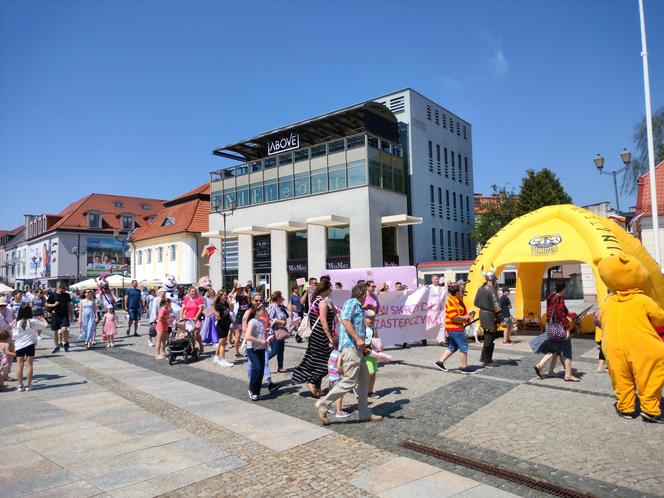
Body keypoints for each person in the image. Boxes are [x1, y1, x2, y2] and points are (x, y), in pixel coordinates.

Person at [315, 282, 382, 425]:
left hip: (358, 351)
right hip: (351, 348)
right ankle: (323, 403)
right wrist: (358, 338)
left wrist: (365, 308)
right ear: (363, 294)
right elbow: (345, 320)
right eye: (367, 295)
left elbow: (353, 317)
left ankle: (364, 414)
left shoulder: (356, 305)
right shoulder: (351, 303)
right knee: (350, 381)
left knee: (364, 381)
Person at [292, 280, 336, 398]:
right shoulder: (321, 303)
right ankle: (310, 381)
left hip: (316, 335)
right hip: (320, 335)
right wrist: (330, 338)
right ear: (325, 289)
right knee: (327, 361)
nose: (331, 290)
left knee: (316, 360)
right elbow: (323, 321)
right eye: (330, 288)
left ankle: (317, 387)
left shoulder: (317, 300)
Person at [534, 282, 580, 382]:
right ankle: (568, 374)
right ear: (563, 288)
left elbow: (552, 311)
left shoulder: (551, 296)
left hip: (551, 326)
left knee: (555, 349)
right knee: (567, 350)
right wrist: (567, 328)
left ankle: (545, 368)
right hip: (559, 328)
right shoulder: (560, 298)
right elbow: (561, 314)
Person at [435, 282, 476, 374]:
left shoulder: (457, 299)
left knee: (453, 346)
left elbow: (460, 313)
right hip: (454, 327)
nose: (462, 292)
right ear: (456, 292)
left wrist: (468, 315)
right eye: (461, 290)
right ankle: (464, 367)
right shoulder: (450, 300)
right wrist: (465, 318)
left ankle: (439, 362)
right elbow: (453, 317)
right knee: (463, 346)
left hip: (456, 327)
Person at [12, 304, 47, 392]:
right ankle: (29, 385)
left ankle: (20, 386)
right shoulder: (32, 321)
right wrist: (43, 319)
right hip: (30, 344)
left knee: (19, 366)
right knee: (29, 365)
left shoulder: (16, 323)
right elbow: (45, 326)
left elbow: (14, 336)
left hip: (19, 345)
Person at [245, 299, 272, 400]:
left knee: (261, 370)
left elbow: (262, 335)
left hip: (261, 348)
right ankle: (251, 389)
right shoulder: (252, 321)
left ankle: (257, 391)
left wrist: (266, 340)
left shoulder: (262, 322)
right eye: (262, 309)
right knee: (256, 368)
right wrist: (260, 342)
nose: (264, 311)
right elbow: (247, 337)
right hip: (252, 348)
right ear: (257, 311)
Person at [474, 271, 501, 366]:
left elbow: (476, 303)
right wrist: (501, 319)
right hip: (490, 315)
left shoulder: (480, 289)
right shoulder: (491, 289)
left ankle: (483, 357)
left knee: (487, 337)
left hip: (482, 313)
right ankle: (487, 359)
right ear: (492, 279)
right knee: (490, 337)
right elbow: (497, 306)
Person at [46, 283, 73, 353]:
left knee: (65, 329)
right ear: (60, 288)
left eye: (66, 289)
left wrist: (72, 315)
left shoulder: (67, 295)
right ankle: (56, 346)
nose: (66, 290)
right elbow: (46, 304)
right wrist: (53, 305)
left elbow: (69, 305)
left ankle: (66, 343)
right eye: (65, 289)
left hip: (64, 315)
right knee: (55, 332)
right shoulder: (53, 295)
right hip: (55, 315)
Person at [327, 335, 349, 418]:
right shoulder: (340, 354)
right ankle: (339, 412)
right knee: (339, 395)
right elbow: (339, 366)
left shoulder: (332, 352)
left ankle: (327, 406)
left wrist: (330, 373)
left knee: (331, 393)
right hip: (337, 377)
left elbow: (328, 363)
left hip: (331, 377)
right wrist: (344, 374)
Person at [267, 291, 289, 373]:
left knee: (281, 350)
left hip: (280, 331)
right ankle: (262, 361)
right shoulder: (272, 307)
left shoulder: (279, 307)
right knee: (274, 351)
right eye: (281, 297)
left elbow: (286, 315)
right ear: (278, 298)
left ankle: (280, 367)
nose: (282, 299)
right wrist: (280, 321)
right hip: (274, 332)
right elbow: (269, 319)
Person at [363, 310, 382, 397]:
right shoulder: (362, 329)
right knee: (369, 373)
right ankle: (362, 390)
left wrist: (379, 347)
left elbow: (376, 339)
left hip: (373, 354)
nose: (372, 320)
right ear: (365, 318)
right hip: (365, 355)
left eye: (374, 318)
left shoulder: (374, 328)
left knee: (373, 373)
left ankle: (370, 392)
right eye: (370, 318)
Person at [180, 286, 205, 353]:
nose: (193, 293)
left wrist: (196, 317)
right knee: (188, 334)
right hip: (188, 319)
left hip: (196, 320)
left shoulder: (199, 299)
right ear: (189, 292)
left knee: (195, 334)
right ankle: (191, 348)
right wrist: (181, 317)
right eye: (192, 291)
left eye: (194, 291)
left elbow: (200, 309)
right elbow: (182, 309)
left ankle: (200, 344)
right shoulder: (186, 300)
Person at [213, 290, 233, 367]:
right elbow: (217, 316)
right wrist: (216, 315)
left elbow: (230, 309)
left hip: (226, 324)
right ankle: (223, 360)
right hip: (221, 325)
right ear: (220, 296)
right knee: (223, 343)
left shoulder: (225, 303)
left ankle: (216, 357)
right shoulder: (218, 305)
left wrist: (229, 301)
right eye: (224, 295)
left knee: (221, 342)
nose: (226, 296)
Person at [230, 285, 249, 357]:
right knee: (245, 334)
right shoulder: (245, 297)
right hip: (245, 316)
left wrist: (234, 288)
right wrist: (235, 288)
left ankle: (237, 351)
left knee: (238, 335)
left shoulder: (239, 297)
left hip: (240, 316)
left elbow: (231, 295)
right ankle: (244, 350)